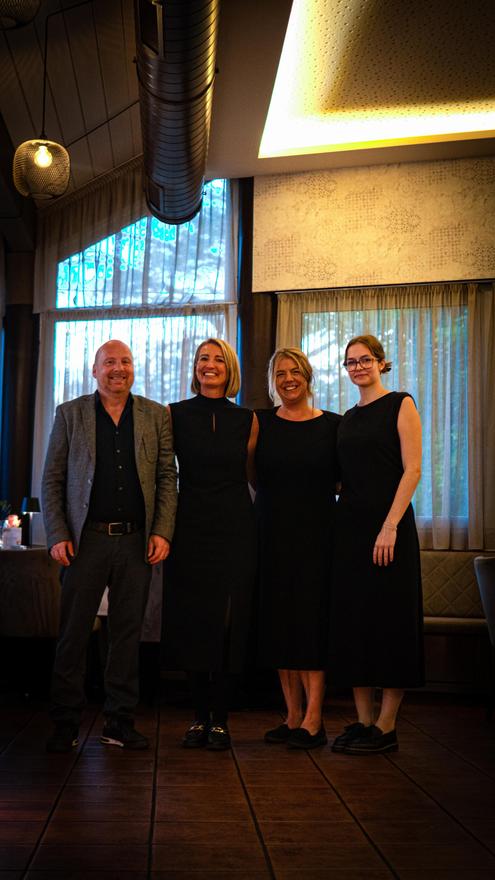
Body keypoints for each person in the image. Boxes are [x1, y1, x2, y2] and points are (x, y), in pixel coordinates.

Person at [42, 339, 177, 753]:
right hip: (86, 541)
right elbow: (52, 479)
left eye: (126, 362)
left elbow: (166, 477)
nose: (119, 368)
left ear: (133, 368)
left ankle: (119, 722)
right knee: (73, 633)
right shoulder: (70, 414)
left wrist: (162, 531)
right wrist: (58, 534)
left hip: (137, 541)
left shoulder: (155, 415)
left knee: (126, 634)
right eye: (110, 362)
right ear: (95, 370)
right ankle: (65, 722)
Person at [330, 334, 424, 755]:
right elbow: (342, 477)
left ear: (382, 363)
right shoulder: (347, 418)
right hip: (350, 530)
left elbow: (413, 469)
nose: (358, 368)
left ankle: (386, 727)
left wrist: (390, 525)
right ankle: (364, 722)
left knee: (390, 623)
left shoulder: (401, 403)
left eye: (365, 360)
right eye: (350, 362)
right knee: (355, 623)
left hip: (391, 529)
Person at [163, 338, 258, 750]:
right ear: (195, 367)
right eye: (204, 358)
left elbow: (255, 476)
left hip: (237, 526)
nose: (210, 365)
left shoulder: (248, 419)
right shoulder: (174, 413)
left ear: (229, 368)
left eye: (219, 359)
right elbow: (163, 473)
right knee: (194, 620)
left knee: (228, 623)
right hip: (189, 526)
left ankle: (221, 718)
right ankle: (199, 716)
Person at [255, 348, 341, 749]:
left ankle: (314, 719)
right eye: (280, 374)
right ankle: (291, 716)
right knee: (280, 626)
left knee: (310, 626)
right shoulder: (261, 423)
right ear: (272, 382)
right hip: (271, 534)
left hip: (317, 537)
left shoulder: (333, 426)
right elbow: (251, 474)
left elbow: (344, 481)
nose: (288, 379)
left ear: (308, 376)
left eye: (295, 372)